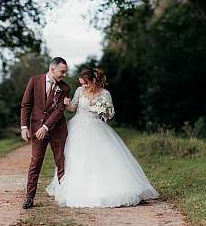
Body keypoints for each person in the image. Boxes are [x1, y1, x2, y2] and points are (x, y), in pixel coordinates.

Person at [46, 67, 159, 208]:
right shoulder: (80, 91)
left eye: (85, 83)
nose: (83, 85)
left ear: (94, 80)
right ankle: (76, 188)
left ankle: (107, 187)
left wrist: (104, 111)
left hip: (97, 127)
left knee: (102, 157)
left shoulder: (105, 93)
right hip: (78, 127)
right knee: (76, 157)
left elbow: (110, 114)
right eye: (81, 83)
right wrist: (67, 103)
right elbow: (73, 108)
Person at [20, 57, 71, 209]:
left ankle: (64, 195)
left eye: (65, 72)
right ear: (52, 69)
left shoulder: (65, 88)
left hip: (57, 130)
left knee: (61, 162)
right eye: (62, 71)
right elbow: (26, 105)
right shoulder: (34, 81)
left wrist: (46, 127)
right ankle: (29, 197)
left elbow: (59, 111)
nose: (64, 75)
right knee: (35, 162)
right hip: (36, 129)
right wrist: (24, 127)